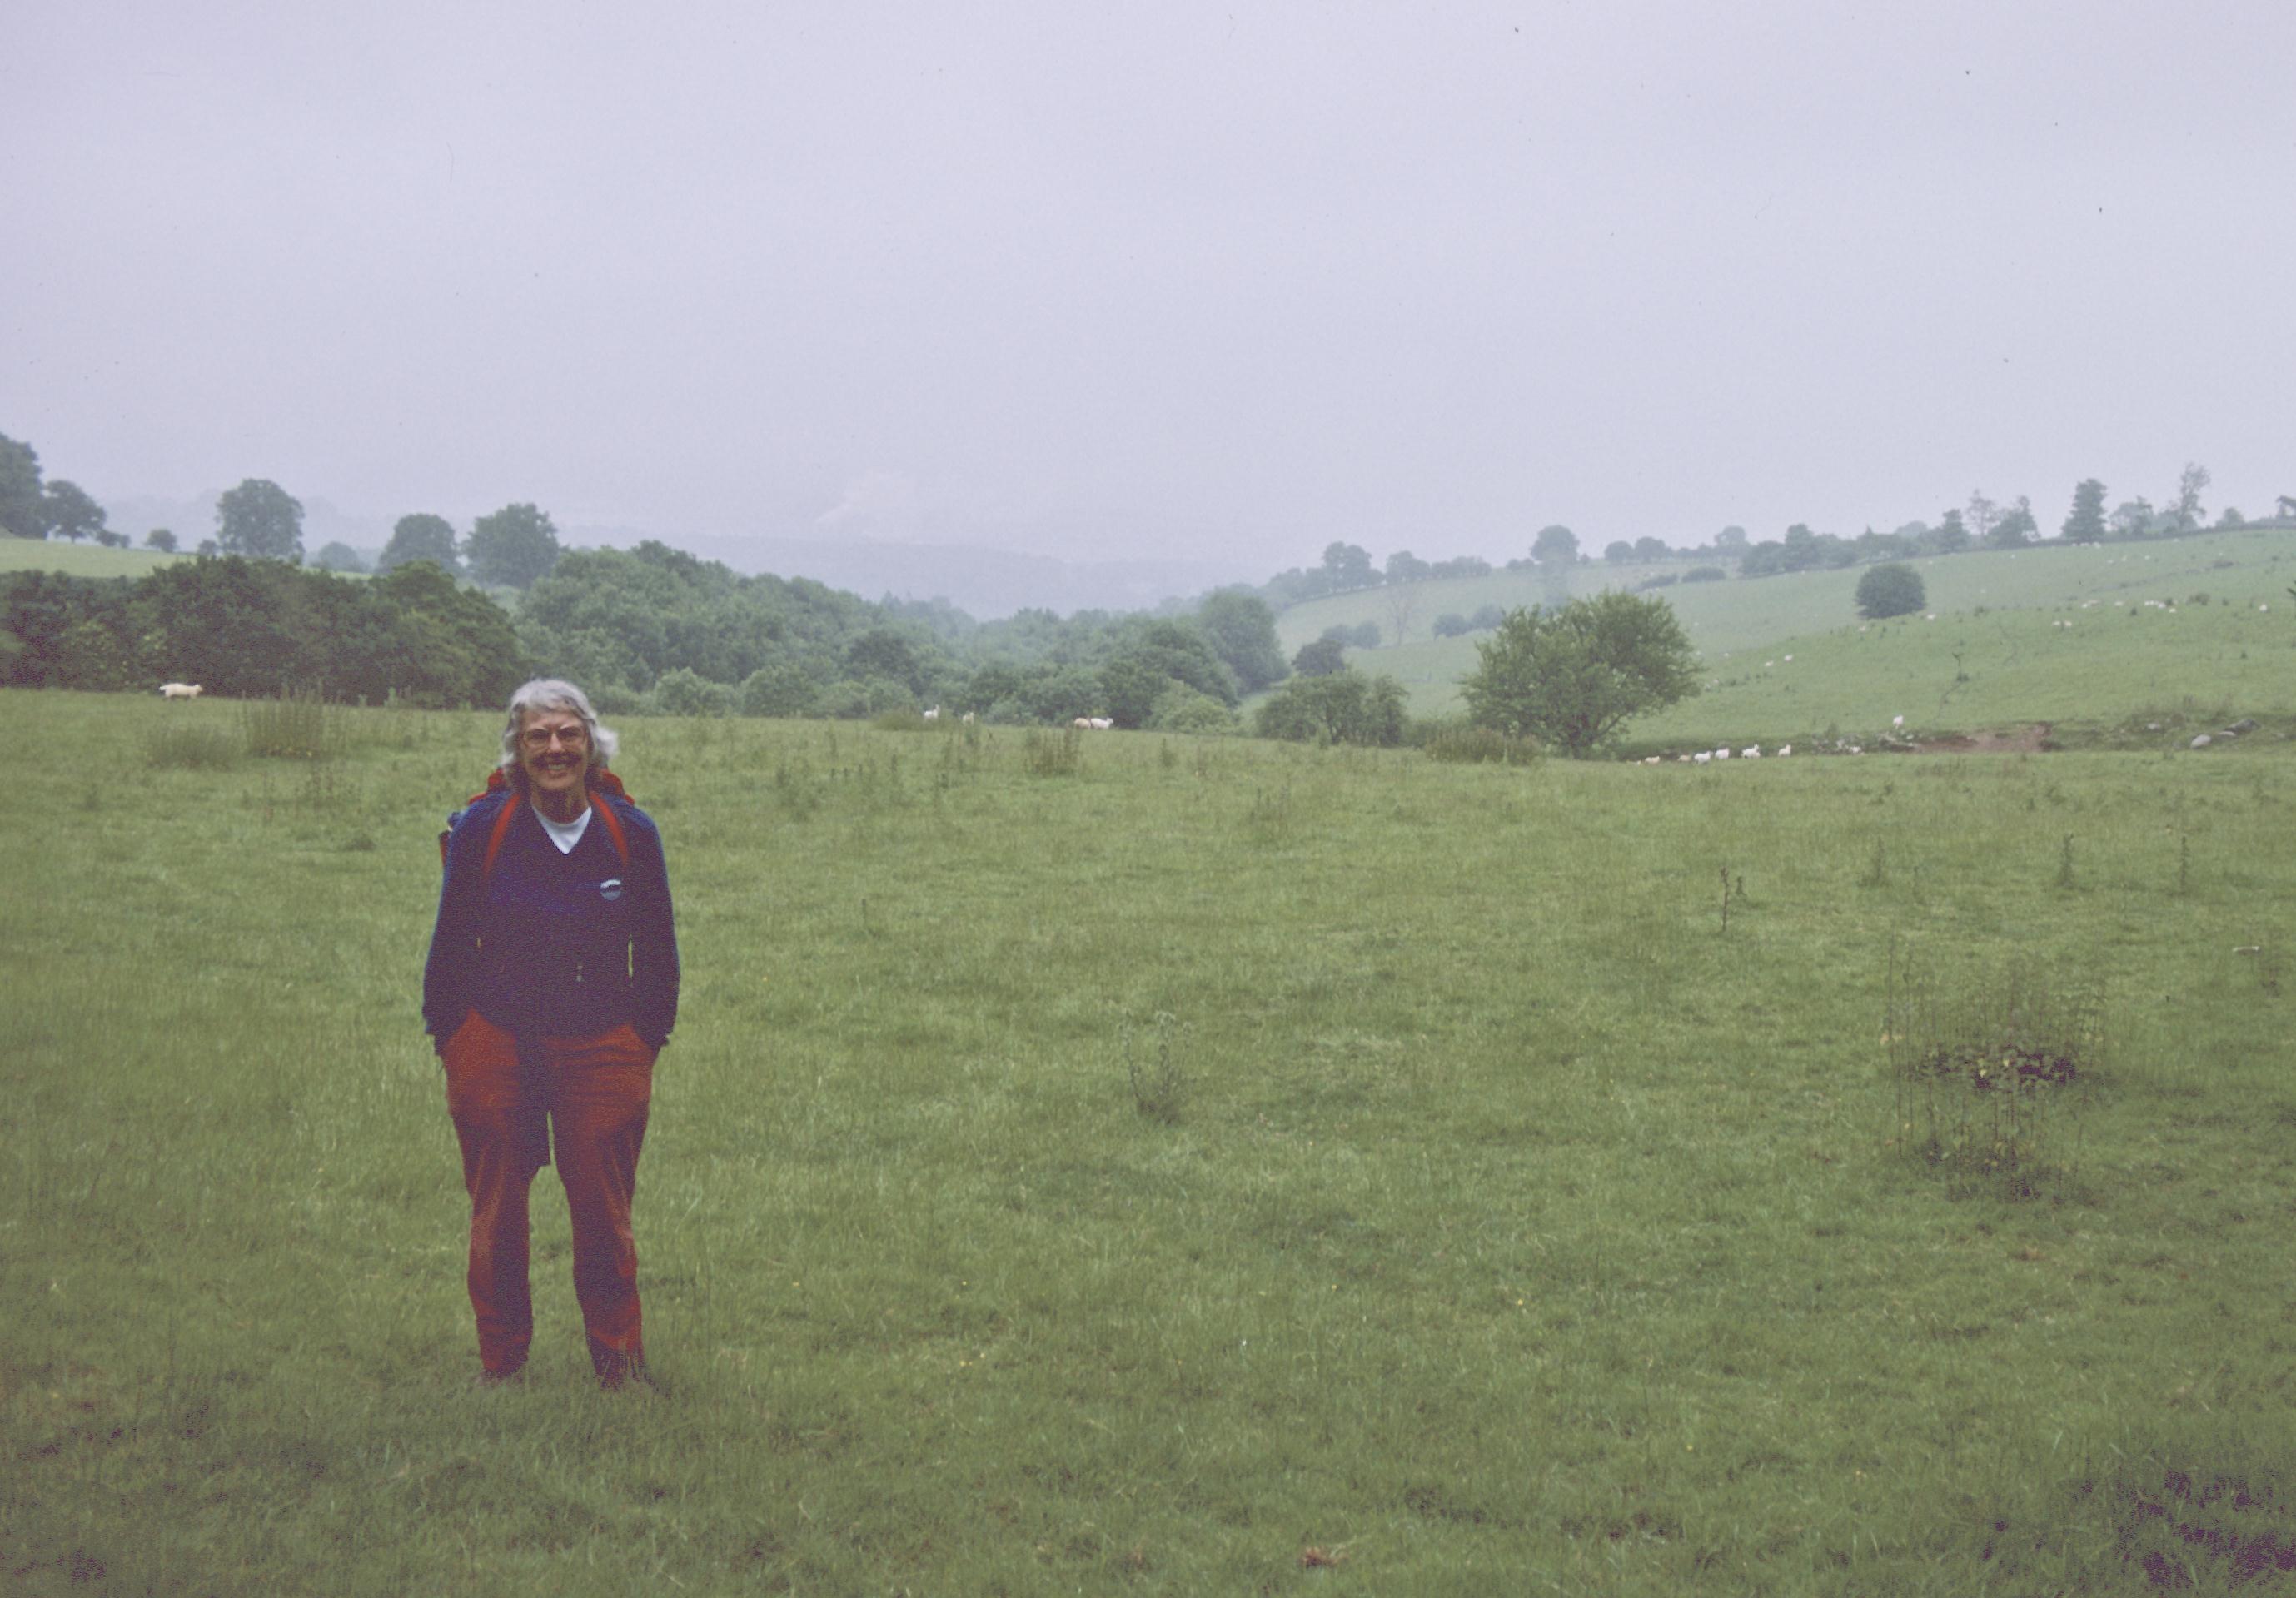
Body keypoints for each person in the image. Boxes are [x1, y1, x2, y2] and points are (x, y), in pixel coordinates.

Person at [423, 679, 679, 1387]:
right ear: (517, 749)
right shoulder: (484, 827)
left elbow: (658, 950)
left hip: (602, 1041)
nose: (555, 749)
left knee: (603, 1210)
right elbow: (449, 945)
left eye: (568, 733)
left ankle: (619, 1363)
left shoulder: (631, 832)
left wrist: (643, 1037)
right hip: (496, 1037)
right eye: (537, 736)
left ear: (591, 743)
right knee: (498, 1211)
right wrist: (451, 1034)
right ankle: (501, 1364)